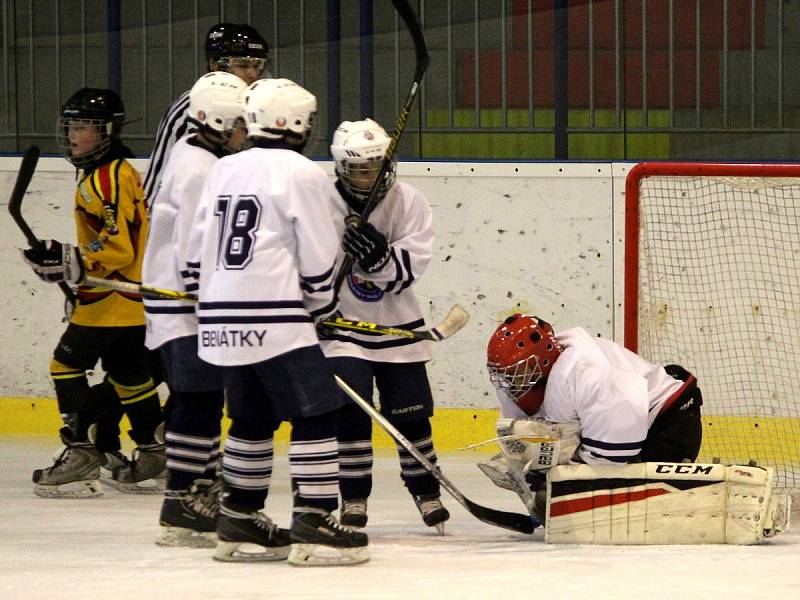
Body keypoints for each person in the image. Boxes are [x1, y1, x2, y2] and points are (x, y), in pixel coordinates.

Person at [194, 78, 368, 565]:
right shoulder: (301, 172)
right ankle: (313, 519)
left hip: (219, 316)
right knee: (317, 411)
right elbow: (318, 254)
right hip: (274, 315)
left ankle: (239, 518)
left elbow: (198, 246)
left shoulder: (224, 168)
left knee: (251, 416)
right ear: (296, 123)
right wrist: (322, 307)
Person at [22, 88, 165, 497]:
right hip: (129, 299)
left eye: (82, 127)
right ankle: (155, 451)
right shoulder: (113, 172)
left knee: (64, 365)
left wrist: (74, 257)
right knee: (129, 375)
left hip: (109, 300)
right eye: (70, 126)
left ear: (105, 130)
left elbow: (117, 247)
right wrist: (67, 260)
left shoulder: (105, 176)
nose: (73, 135)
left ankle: (82, 452)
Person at [321, 118, 449, 534]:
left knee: (411, 416)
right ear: (341, 167)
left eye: (374, 166)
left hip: (398, 327)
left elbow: (410, 269)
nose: (367, 175)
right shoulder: (321, 202)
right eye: (358, 168)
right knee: (350, 415)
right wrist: (314, 307)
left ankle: (427, 492)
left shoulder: (407, 200)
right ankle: (353, 498)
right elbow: (306, 260)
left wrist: (378, 257)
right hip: (341, 329)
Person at [142, 71, 248, 547]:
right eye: (244, 123)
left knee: (202, 397)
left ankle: (197, 490)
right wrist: (216, 303)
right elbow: (192, 252)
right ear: (223, 122)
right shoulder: (198, 169)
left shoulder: (196, 157)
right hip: (183, 306)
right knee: (198, 398)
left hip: (180, 303)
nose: (248, 133)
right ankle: (181, 501)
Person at [481, 313, 703, 521]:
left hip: (669, 423)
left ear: (543, 360)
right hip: (629, 426)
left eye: (517, 373)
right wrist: (524, 465)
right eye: (504, 375)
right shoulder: (524, 381)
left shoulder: (587, 371)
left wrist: (562, 479)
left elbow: (614, 454)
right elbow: (525, 431)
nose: (509, 383)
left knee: (617, 509)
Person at [142, 22, 268, 204]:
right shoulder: (192, 105)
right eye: (242, 65)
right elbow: (158, 180)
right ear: (215, 65)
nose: (252, 74)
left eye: (257, 66)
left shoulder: (254, 107)